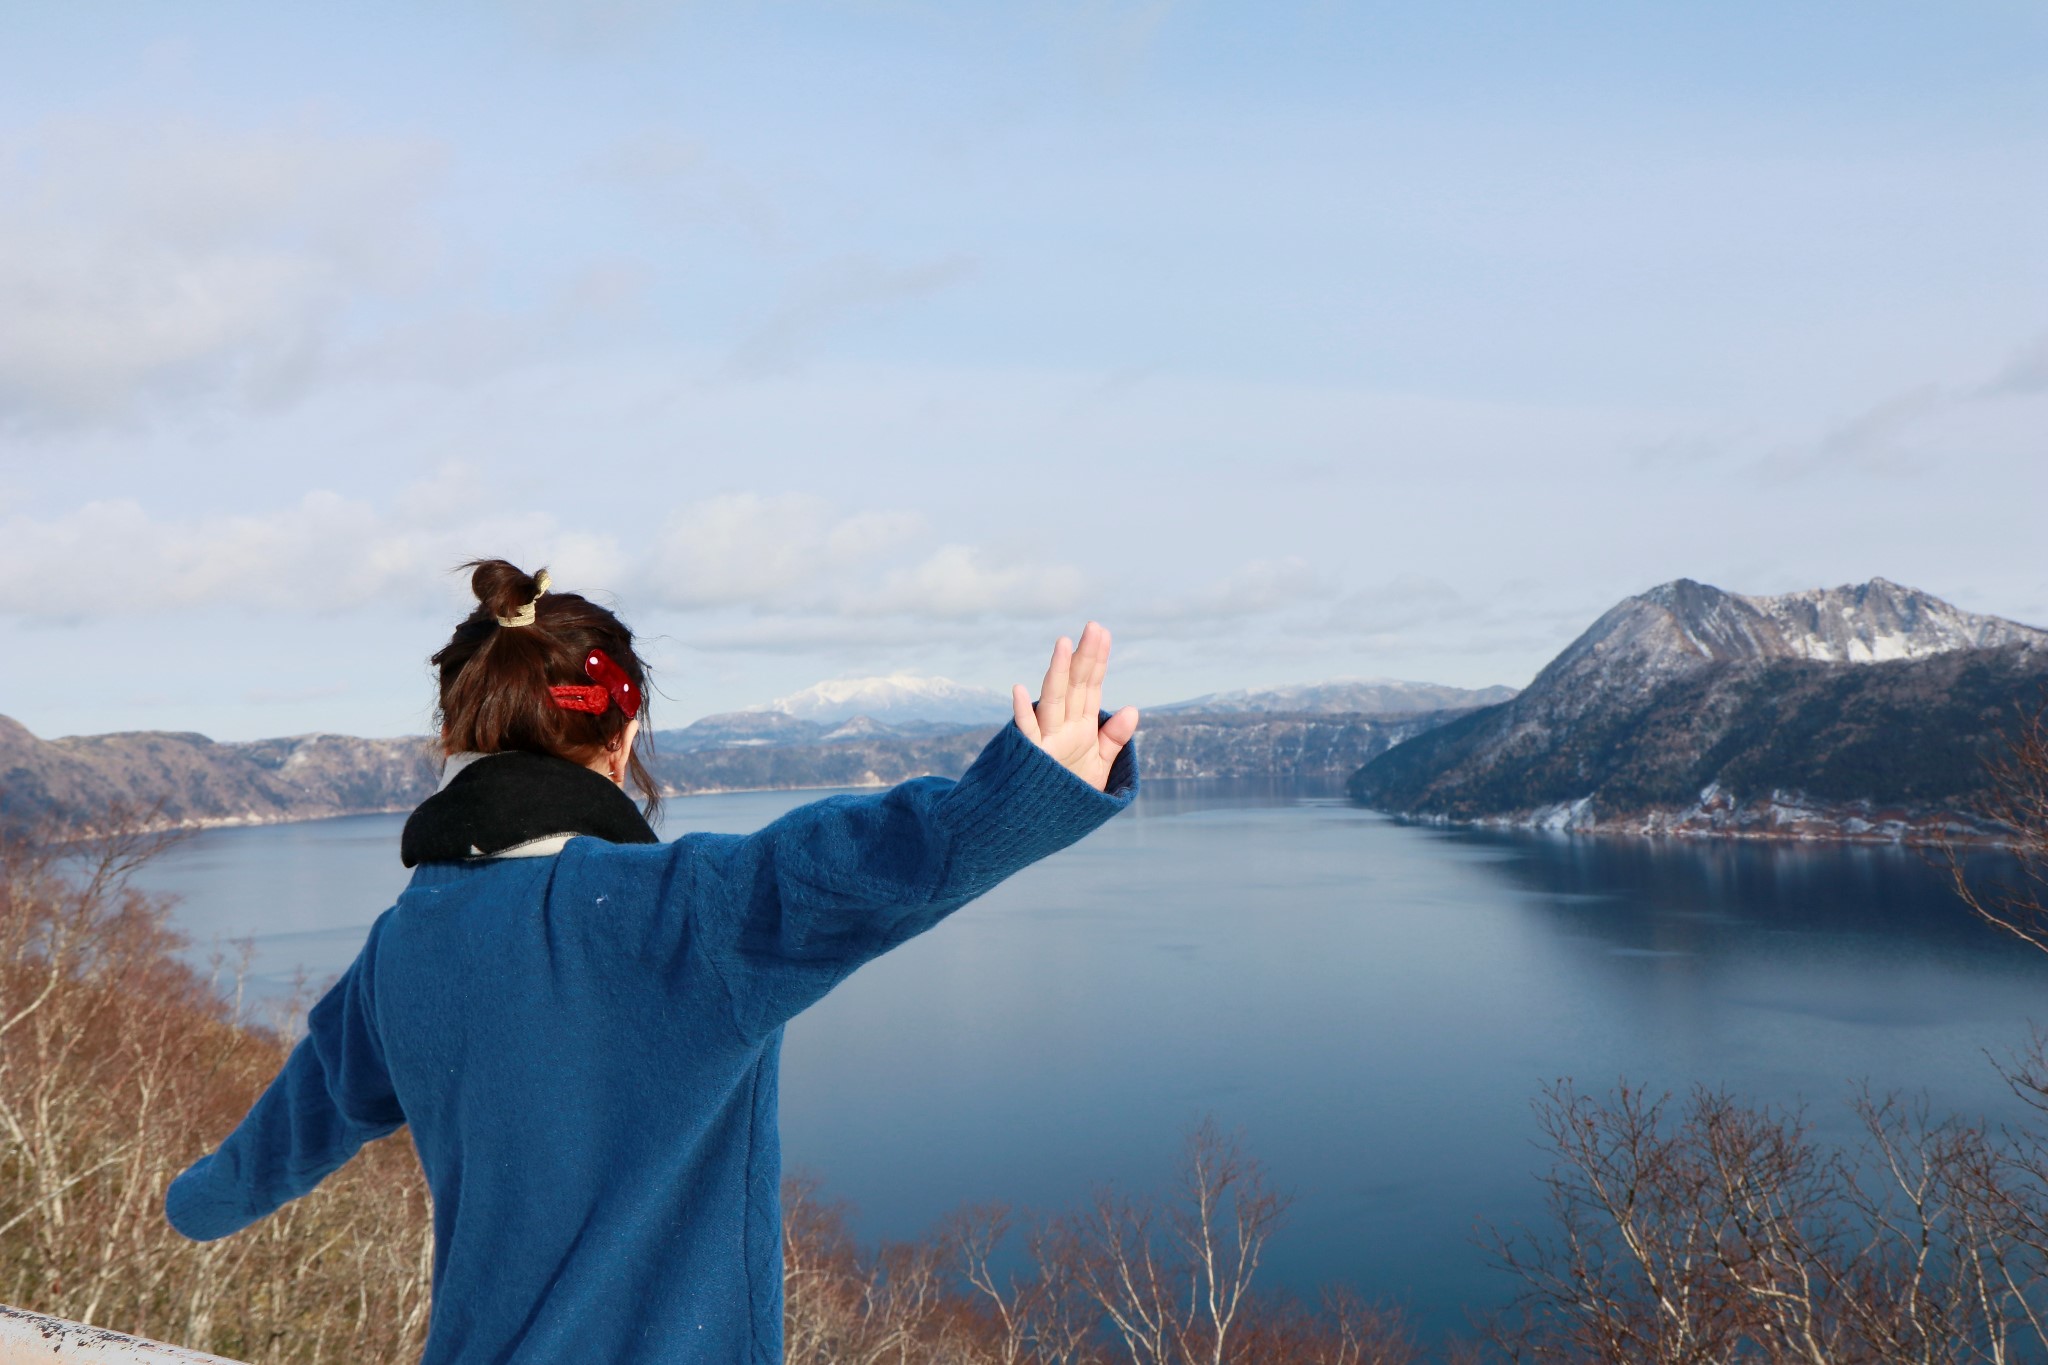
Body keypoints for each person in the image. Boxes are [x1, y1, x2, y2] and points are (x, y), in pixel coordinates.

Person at [163, 559, 1141, 1364]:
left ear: (462, 741)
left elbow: (287, 1134)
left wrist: (195, 1205)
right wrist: (1021, 796)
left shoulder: (403, 947)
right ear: (622, 735)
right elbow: (853, 867)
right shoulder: (665, 916)